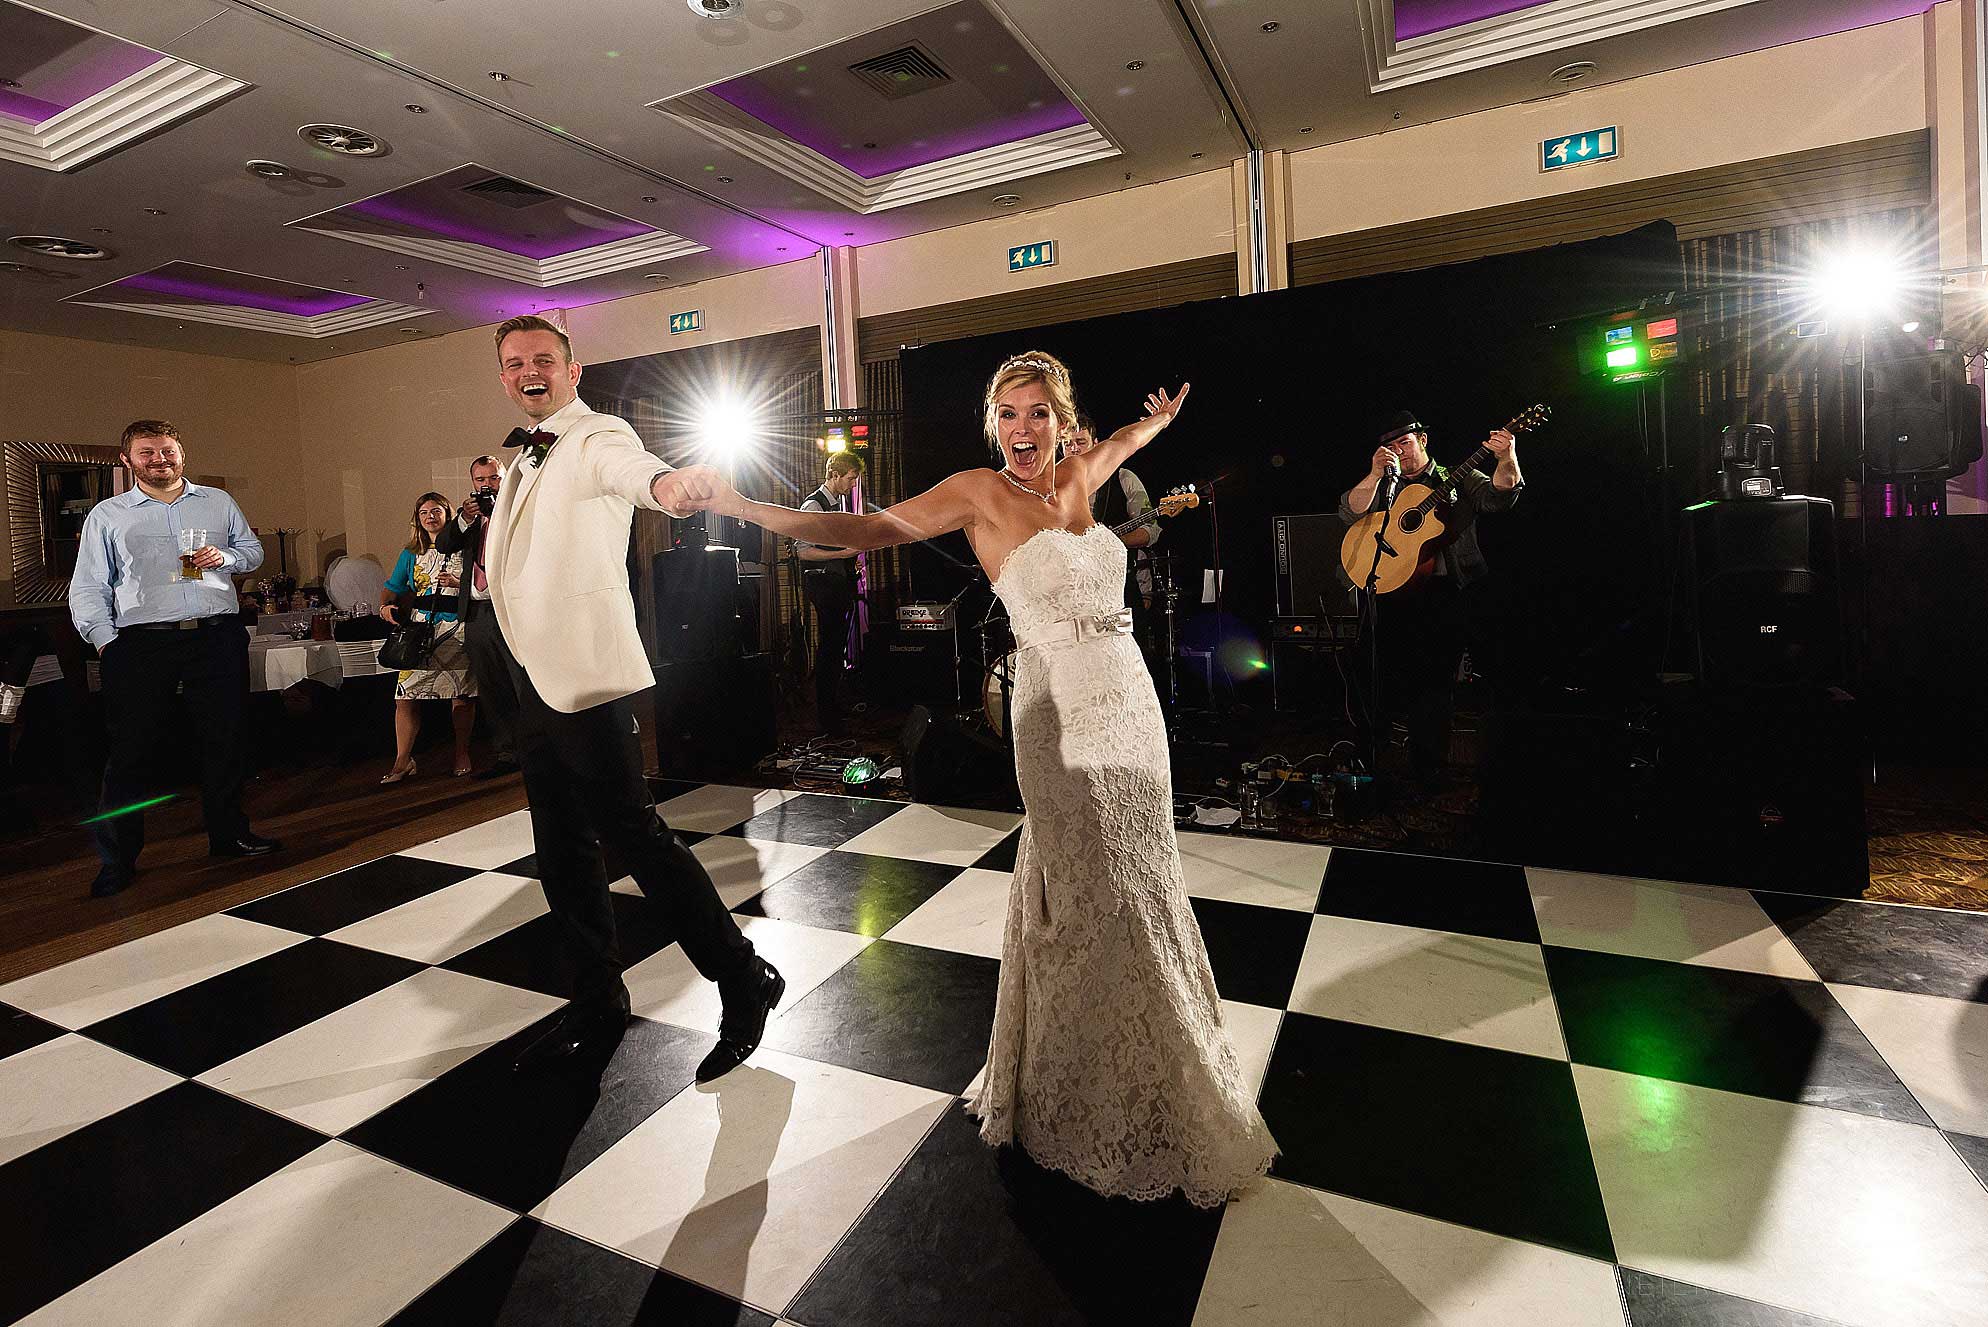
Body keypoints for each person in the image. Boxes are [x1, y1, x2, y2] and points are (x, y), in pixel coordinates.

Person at [670, 351, 1276, 1208]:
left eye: (1038, 414)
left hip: (1130, 705)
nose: (1023, 430)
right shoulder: (974, 492)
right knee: (1082, 889)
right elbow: (860, 530)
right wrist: (737, 504)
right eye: (1010, 415)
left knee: (1143, 880)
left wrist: (1156, 423)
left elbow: (1127, 442)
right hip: (1056, 709)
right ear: (993, 423)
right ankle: (1075, 1086)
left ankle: (1158, 1062)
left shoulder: (1080, 475)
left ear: (1062, 422)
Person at [480, 315, 781, 1082]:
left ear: (573, 370)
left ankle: (744, 974)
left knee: (638, 839)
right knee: (562, 850)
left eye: (543, 358)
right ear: (504, 376)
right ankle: (597, 998)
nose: (529, 370)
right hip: (531, 678)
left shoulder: (592, 435)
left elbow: (634, 471)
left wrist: (668, 486)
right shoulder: (522, 457)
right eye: (515, 363)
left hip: (582, 678)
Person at [69, 420, 281, 898]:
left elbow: (253, 551)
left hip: (215, 637)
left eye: (167, 450)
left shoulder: (217, 502)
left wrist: (224, 558)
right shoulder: (108, 515)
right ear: (128, 460)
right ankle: (117, 859)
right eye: (147, 453)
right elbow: (87, 587)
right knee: (131, 753)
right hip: (141, 645)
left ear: (182, 453)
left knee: (225, 741)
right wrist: (107, 642)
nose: (159, 459)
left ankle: (229, 836)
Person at [1338, 410, 1523, 787]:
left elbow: (1500, 496)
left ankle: (1427, 770)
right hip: (1388, 592)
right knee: (1373, 674)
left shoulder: (1456, 476)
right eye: (1390, 447)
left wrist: (1506, 456)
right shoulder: (1385, 486)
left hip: (1443, 594)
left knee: (1433, 685)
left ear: (1422, 440)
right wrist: (1375, 475)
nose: (1398, 452)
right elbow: (1348, 511)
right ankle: (1370, 760)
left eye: (1404, 443)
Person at [377, 492, 477, 782]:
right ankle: (402, 760)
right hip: (421, 630)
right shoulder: (411, 553)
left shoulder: (465, 548)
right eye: (424, 513)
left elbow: (482, 584)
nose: (430, 517)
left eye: (436, 511)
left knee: (462, 694)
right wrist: (385, 607)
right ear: (417, 520)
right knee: (406, 694)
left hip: (457, 626)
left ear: (447, 515)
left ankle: (462, 752)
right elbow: (391, 586)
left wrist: (460, 583)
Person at [434, 454, 520, 780]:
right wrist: (463, 521)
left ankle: (540, 751)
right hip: (477, 613)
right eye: (481, 480)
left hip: (509, 609)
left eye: (493, 478)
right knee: (492, 686)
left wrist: (499, 513)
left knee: (520, 681)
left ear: (503, 478)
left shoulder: (514, 510)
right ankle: (507, 753)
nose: (487, 486)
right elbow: (444, 543)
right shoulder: (467, 518)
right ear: (472, 483)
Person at [1066, 409, 1162, 664]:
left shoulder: (1123, 479)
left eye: (1080, 442)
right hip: (1070, 595)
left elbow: (1150, 529)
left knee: (1124, 661)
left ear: (1096, 444)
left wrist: (1111, 541)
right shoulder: (1051, 487)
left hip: (1116, 591)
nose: (1073, 449)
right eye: (1067, 444)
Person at [793, 452, 864, 737]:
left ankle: (833, 708)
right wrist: (846, 553)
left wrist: (849, 561)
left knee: (835, 649)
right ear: (834, 474)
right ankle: (827, 715)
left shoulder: (837, 503)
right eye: (850, 478)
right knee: (829, 649)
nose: (853, 484)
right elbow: (803, 550)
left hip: (835, 583)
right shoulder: (814, 504)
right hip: (824, 586)